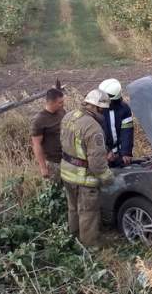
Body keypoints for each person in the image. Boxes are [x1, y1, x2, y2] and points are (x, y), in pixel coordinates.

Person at [60, 89, 113, 246]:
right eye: (103, 110)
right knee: (88, 214)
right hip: (83, 178)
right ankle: (90, 248)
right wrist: (108, 178)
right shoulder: (93, 128)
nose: (103, 113)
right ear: (98, 107)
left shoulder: (68, 116)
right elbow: (97, 164)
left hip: (67, 173)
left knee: (73, 209)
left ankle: (74, 239)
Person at [31, 87, 65, 183]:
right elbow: (36, 145)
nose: (63, 104)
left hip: (67, 159)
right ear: (51, 102)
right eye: (60, 102)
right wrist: (43, 167)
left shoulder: (61, 112)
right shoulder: (39, 120)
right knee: (55, 192)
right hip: (53, 162)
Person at [98, 78, 134, 167]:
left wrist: (126, 152)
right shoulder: (97, 109)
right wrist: (105, 151)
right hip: (99, 154)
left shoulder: (124, 109)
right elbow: (95, 134)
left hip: (117, 155)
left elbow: (127, 131)